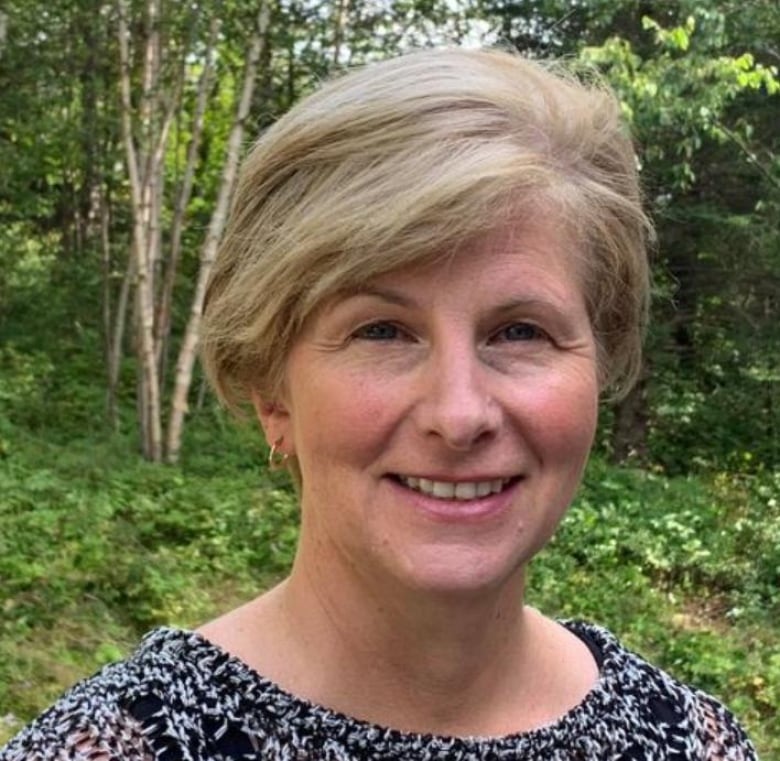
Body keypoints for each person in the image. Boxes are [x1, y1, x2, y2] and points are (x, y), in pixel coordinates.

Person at [1, 47, 757, 761]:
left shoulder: (689, 742)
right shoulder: (119, 744)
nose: (459, 415)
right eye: (383, 331)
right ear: (272, 390)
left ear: (601, 360)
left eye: (519, 330)